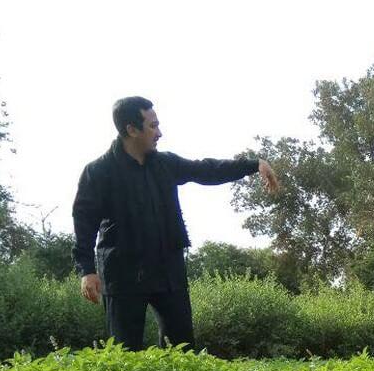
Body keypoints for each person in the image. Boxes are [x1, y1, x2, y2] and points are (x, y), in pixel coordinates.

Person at [72, 96, 279, 350]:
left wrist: (253, 165)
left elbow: (207, 170)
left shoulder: (165, 164)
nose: (160, 133)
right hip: (122, 272)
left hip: (167, 268)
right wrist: (87, 270)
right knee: (124, 353)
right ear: (131, 130)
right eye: (153, 126)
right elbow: (84, 222)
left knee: (182, 349)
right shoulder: (98, 172)